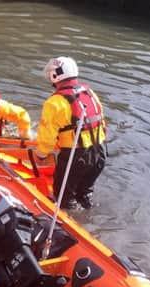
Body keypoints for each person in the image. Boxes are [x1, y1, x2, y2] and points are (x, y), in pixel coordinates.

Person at [35, 56, 107, 209]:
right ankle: (87, 218)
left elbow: (46, 136)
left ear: (56, 75)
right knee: (85, 194)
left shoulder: (54, 103)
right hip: (100, 153)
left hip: (75, 157)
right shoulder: (89, 93)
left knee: (64, 199)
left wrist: (41, 154)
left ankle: (68, 226)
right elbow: (101, 121)